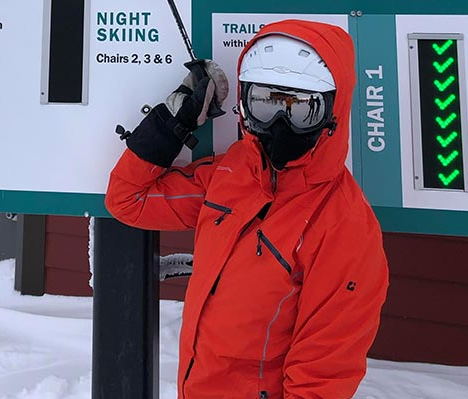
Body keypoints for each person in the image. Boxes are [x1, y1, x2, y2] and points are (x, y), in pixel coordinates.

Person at [105, 19, 389, 399]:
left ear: (331, 114)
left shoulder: (344, 228)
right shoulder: (231, 174)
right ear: (244, 104)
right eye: (266, 103)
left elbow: (320, 381)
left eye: (301, 108)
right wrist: (176, 119)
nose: (281, 125)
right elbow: (129, 200)